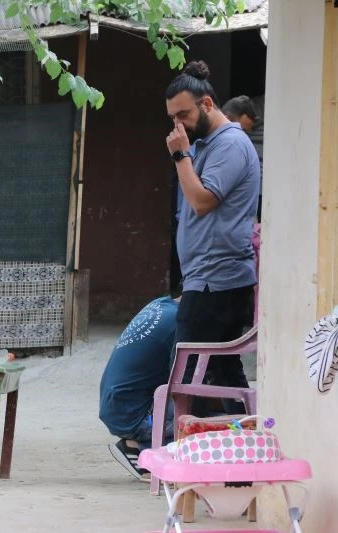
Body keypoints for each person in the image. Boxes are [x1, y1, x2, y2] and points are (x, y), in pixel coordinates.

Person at [164, 60, 260, 398]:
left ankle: (187, 434)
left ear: (207, 104)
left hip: (216, 281)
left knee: (188, 382)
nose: (179, 125)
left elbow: (202, 202)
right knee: (222, 378)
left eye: (184, 114)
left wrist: (180, 156)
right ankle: (244, 430)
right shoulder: (205, 144)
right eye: (173, 118)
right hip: (206, 279)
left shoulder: (229, 144)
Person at [100, 296, 178, 481]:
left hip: (117, 406)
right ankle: (142, 450)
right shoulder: (179, 323)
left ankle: (139, 444)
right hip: (132, 416)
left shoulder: (161, 304)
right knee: (210, 419)